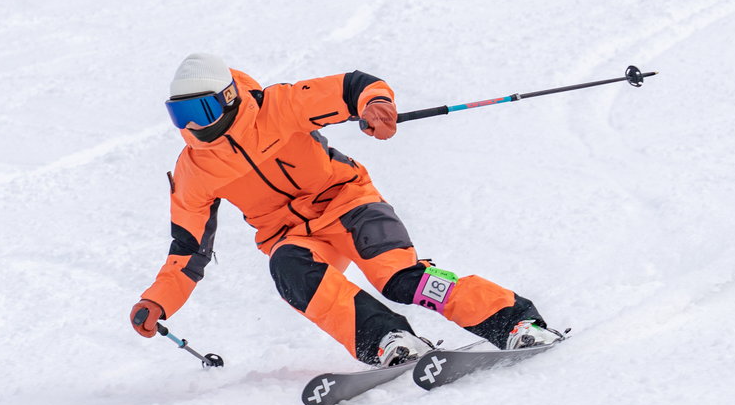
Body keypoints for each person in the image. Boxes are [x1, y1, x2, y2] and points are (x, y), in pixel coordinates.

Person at [129, 53, 561, 367]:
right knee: (288, 268)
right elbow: (187, 251)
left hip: (349, 202)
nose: (189, 125)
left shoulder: (277, 106)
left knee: (399, 277)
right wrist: (157, 300)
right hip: (291, 237)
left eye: (197, 110)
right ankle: (386, 338)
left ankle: (511, 321)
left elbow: (353, 86)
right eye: (177, 115)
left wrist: (375, 104)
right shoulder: (194, 171)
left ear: (226, 97)